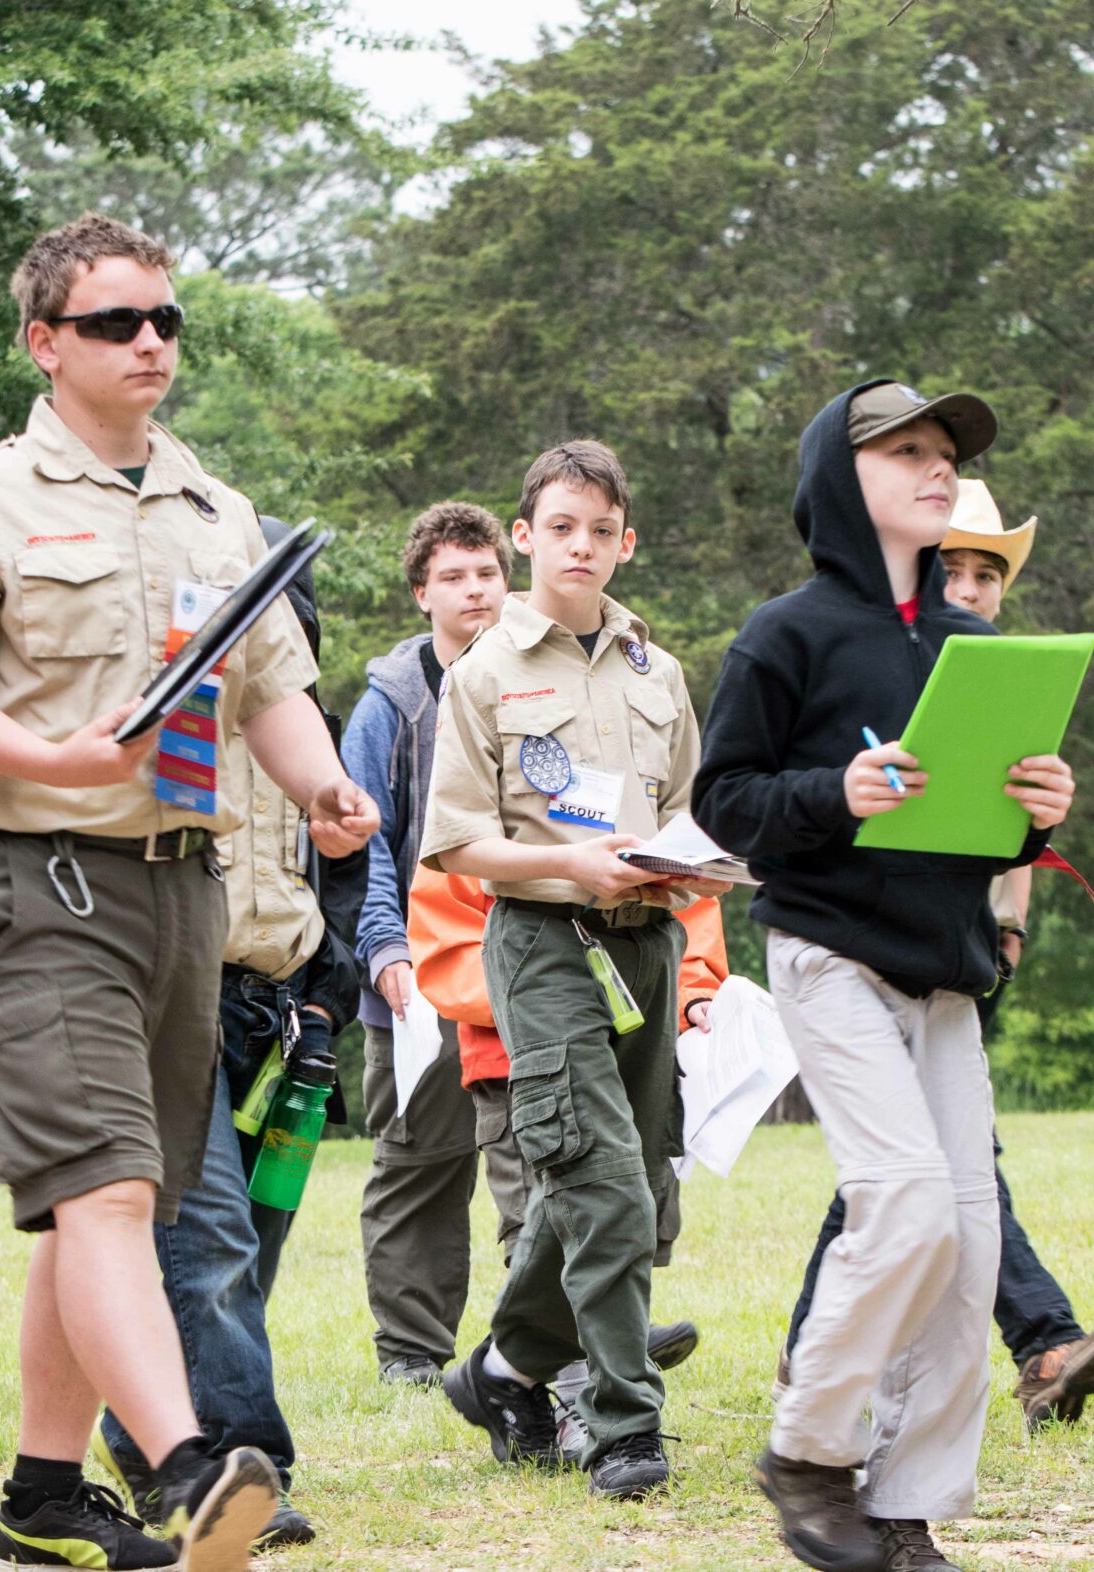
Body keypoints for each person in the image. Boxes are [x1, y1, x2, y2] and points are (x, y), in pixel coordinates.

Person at [0, 212, 378, 1572]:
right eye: (115, 322)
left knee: (112, 1199)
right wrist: (47, 755)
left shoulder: (216, 506)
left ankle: (41, 1504)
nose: (151, 341)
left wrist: (326, 787)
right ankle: (192, 1465)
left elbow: (271, 687)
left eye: (165, 320)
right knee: (102, 1195)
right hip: (35, 880)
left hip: (180, 887)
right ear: (45, 343)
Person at [694, 381, 1078, 1572]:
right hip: (826, 956)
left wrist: (1033, 819)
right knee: (903, 1201)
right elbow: (724, 806)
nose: (934, 468)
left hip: (946, 977)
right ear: (834, 479)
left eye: (943, 453)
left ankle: (904, 1508)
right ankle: (808, 1453)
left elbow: (981, 823)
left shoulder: (975, 648)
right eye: (903, 450)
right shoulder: (784, 634)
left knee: (964, 1241)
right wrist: (834, 793)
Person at [777, 479, 1094, 1433]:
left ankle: (814, 1344)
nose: (970, 588)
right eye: (954, 567)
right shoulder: (846, 653)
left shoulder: (995, 670)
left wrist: (1012, 923)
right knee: (933, 1162)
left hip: (965, 949)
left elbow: (1009, 824)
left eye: (987, 572)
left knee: (911, 1164)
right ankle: (1044, 1342)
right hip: (854, 945)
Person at [419, 440, 722, 1500]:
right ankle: (621, 1421)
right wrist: (566, 862)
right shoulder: (482, 674)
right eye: (560, 527)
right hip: (542, 942)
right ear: (522, 536)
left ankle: (502, 1371)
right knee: (600, 1184)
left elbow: (686, 810)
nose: (580, 545)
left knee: (619, 1178)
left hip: (644, 939)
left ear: (624, 541)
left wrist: (697, 869)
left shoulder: (658, 670)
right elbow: (455, 845)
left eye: (600, 529)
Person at [90, 516, 362, 1551]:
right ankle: (243, 1462)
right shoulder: (173, 730)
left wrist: (328, 990)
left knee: (257, 1234)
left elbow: (342, 870)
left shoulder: (311, 746)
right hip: (177, 1000)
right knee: (205, 1236)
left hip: (289, 1011)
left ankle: (138, 1424)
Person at [407, 866, 719, 1459]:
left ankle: (508, 1370)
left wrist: (694, 989)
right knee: (575, 1211)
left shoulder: (636, 784)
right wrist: (547, 996)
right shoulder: (505, 807)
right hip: (512, 1057)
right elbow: (445, 942)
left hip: (630, 1032)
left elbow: (691, 903)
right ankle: (589, 1402)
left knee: (621, 1205)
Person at [340, 502, 510, 1385]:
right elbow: (362, 839)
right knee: (421, 1162)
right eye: (454, 575)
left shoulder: (536, 677)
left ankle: (559, 1340)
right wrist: (384, 950)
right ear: (422, 593)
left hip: (525, 959)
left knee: (546, 1151)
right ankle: (412, 1351)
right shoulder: (391, 708)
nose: (474, 589)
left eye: (486, 572)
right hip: (418, 975)